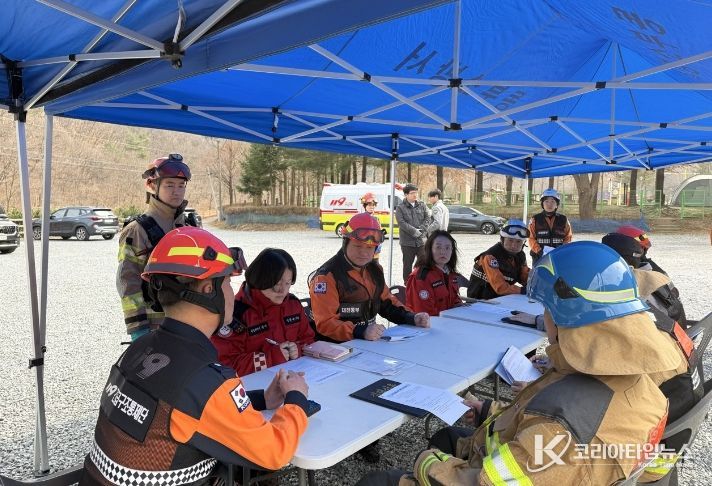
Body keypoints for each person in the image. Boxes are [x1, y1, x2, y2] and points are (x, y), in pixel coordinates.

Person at [358, 242, 683, 486]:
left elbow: (496, 474)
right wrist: (488, 410)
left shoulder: (559, 427)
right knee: (447, 437)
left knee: (379, 480)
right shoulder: (640, 386)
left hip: (506, 470)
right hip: (544, 463)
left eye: (546, 310)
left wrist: (426, 464)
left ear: (563, 318)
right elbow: (541, 424)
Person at [82, 227, 310, 485]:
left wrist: (261, 399)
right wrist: (296, 398)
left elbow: (192, 408)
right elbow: (275, 452)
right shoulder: (205, 380)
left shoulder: (139, 349)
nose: (232, 292)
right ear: (207, 289)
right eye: (228, 282)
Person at [309, 212, 430, 343]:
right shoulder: (326, 277)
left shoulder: (375, 270)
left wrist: (412, 317)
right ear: (345, 243)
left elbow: (387, 304)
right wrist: (360, 331)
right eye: (357, 246)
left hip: (367, 342)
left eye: (369, 247)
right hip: (336, 348)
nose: (363, 253)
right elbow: (325, 323)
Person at [117, 154, 201, 341]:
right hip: (155, 326)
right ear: (152, 185)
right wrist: (138, 327)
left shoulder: (190, 228)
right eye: (169, 185)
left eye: (181, 186)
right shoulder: (137, 230)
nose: (176, 192)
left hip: (189, 323)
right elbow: (127, 282)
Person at [212, 248, 315, 376]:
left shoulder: (293, 304)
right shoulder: (235, 314)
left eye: (288, 283)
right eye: (277, 284)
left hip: (296, 377)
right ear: (260, 280)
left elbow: (308, 340)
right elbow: (226, 365)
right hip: (255, 385)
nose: (283, 291)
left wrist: (297, 349)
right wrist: (270, 358)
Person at [601, 231, 687, 326]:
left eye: (643, 248)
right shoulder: (649, 270)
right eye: (641, 248)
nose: (643, 250)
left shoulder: (643, 276)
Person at [467, 219, 530, 299]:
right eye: (510, 240)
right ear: (502, 240)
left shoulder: (520, 255)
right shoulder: (490, 256)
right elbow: (500, 287)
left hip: (501, 298)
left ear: (523, 243)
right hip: (480, 300)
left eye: (518, 241)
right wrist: (523, 290)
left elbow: (525, 276)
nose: (514, 245)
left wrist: (537, 283)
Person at [405, 230, 463, 316]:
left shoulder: (450, 273)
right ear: (430, 249)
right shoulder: (420, 278)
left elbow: (455, 300)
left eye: (447, 248)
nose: (443, 252)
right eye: (438, 247)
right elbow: (423, 314)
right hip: (428, 322)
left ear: (452, 251)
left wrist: (460, 306)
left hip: (450, 319)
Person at [395, 183, 432, 282]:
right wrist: (414, 231)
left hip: (421, 241)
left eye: (416, 193)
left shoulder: (422, 205)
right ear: (406, 195)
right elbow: (401, 223)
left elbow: (428, 218)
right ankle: (408, 283)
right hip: (407, 242)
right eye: (412, 193)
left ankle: (421, 282)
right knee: (407, 264)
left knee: (423, 263)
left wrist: (421, 229)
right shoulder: (400, 208)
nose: (415, 195)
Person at [527, 188, 572, 263]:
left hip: (558, 256)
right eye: (546, 201)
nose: (549, 204)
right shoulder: (535, 219)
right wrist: (539, 251)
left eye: (552, 201)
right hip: (539, 256)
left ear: (557, 204)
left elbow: (568, 237)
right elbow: (531, 238)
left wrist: (562, 250)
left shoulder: (563, 219)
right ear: (542, 204)